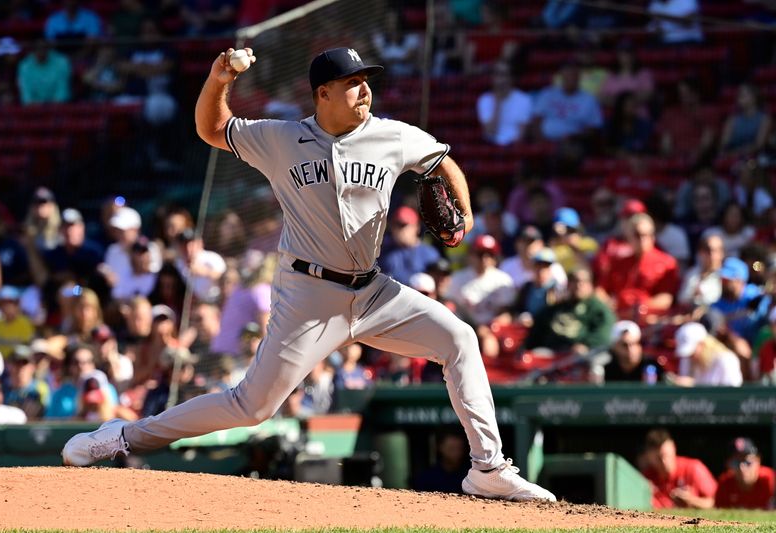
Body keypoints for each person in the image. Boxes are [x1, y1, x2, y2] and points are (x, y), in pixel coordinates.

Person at [61, 46, 555, 502]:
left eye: (367, 80)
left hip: (375, 292)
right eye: (352, 82)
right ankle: (120, 437)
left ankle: (487, 468)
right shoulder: (281, 139)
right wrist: (218, 79)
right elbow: (212, 129)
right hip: (308, 294)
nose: (365, 89)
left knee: (460, 339)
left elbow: (442, 160)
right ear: (323, 94)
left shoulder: (393, 135)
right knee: (251, 408)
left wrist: (463, 213)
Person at [525, 268, 615, 355]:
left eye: (583, 281)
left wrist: (586, 345)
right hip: (552, 353)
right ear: (568, 284)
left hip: (580, 357)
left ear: (591, 285)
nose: (578, 285)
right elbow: (537, 331)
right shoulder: (556, 308)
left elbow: (602, 336)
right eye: (574, 281)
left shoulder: (599, 310)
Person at [640, 428, 716, 509]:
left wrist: (692, 501)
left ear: (673, 448)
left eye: (666, 455)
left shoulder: (693, 468)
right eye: (658, 458)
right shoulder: (646, 478)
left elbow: (715, 502)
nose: (664, 462)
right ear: (648, 457)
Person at [476, 61, 532, 146]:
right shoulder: (484, 100)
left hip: (514, 148)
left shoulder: (524, 100)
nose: (500, 79)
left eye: (503, 75)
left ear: (511, 77)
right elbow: (490, 132)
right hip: (491, 147)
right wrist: (497, 102)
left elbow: (521, 134)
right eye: (497, 74)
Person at [672, 322, 743, 386]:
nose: (690, 357)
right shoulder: (686, 359)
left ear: (703, 344)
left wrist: (694, 385)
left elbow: (731, 395)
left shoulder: (727, 360)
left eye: (692, 353)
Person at [715, 437, 776, 510]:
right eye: (736, 463)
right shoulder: (725, 482)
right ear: (728, 464)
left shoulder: (771, 479)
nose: (742, 468)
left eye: (747, 462)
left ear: (758, 460)